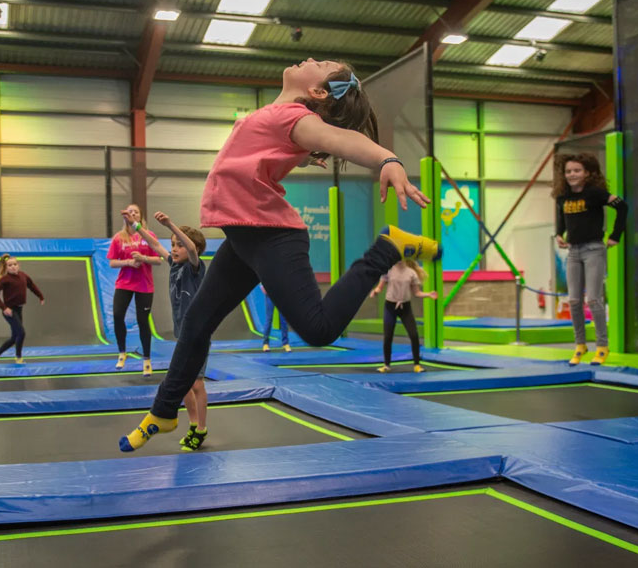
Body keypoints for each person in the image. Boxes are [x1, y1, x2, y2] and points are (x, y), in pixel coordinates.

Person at [120, 58, 441, 452]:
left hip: (272, 236)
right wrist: (303, 155)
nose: (310, 59)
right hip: (243, 236)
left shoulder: (296, 118)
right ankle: (165, 411)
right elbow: (273, 151)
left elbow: (348, 141)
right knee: (196, 324)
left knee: (319, 330)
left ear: (318, 92)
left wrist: (387, 160)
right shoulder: (279, 117)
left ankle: (386, 249)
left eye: (321, 64)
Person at [125, 209, 210, 451]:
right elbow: (154, 244)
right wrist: (136, 226)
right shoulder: (174, 264)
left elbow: (192, 249)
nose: (174, 249)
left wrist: (171, 224)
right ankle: (193, 425)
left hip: (199, 333)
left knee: (197, 384)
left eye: (178, 245)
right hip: (183, 333)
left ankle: (201, 429)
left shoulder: (195, 267)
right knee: (182, 382)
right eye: (173, 245)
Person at [554, 153, 627, 366]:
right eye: (568, 171)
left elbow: (623, 207)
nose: (572, 175)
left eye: (577, 171)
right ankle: (580, 345)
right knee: (574, 301)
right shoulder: (563, 197)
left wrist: (615, 235)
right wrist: (560, 233)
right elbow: (562, 216)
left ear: (587, 173)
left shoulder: (595, 194)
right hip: (573, 251)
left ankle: (602, 346)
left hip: (593, 248)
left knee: (593, 299)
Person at [108, 204, 162, 376]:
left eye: (135, 212)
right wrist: (129, 263)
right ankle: (122, 352)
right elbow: (112, 262)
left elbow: (159, 259)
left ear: (140, 216)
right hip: (124, 283)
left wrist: (143, 258)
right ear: (125, 216)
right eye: (129, 212)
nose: (132, 214)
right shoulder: (119, 238)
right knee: (117, 315)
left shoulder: (149, 236)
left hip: (144, 285)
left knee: (143, 320)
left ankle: (146, 359)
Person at [370, 259, 437, 373]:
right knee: (388, 337)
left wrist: (428, 294)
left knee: (414, 335)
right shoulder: (388, 271)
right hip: (390, 307)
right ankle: (386, 365)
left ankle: (417, 365)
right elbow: (380, 287)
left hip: (405, 307)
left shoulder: (411, 272)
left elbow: (416, 293)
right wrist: (375, 291)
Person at [0, 254, 44, 365]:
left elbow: (32, 286)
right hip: (10, 311)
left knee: (14, 337)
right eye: (10, 265)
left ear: (18, 265)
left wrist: (40, 296)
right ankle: (18, 358)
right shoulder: (5, 279)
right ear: (6, 267)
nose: (13, 267)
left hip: (19, 310)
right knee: (21, 333)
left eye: (15, 264)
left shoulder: (23, 276)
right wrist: (4, 308)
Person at [260, 284, 291, 352]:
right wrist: (262, 286)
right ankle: (265, 343)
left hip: (281, 295)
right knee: (269, 319)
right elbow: (262, 276)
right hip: (270, 295)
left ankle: (285, 343)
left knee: (283, 320)